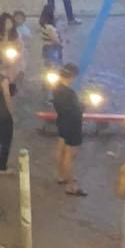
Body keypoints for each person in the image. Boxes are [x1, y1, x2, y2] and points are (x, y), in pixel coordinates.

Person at [50, 64, 86, 196]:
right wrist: (83, 106)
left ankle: (61, 175)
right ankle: (71, 185)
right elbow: (76, 111)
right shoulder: (70, 93)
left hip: (62, 122)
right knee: (69, 155)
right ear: (71, 76)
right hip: (72, 125)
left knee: (60, 150)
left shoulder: (56, 88)